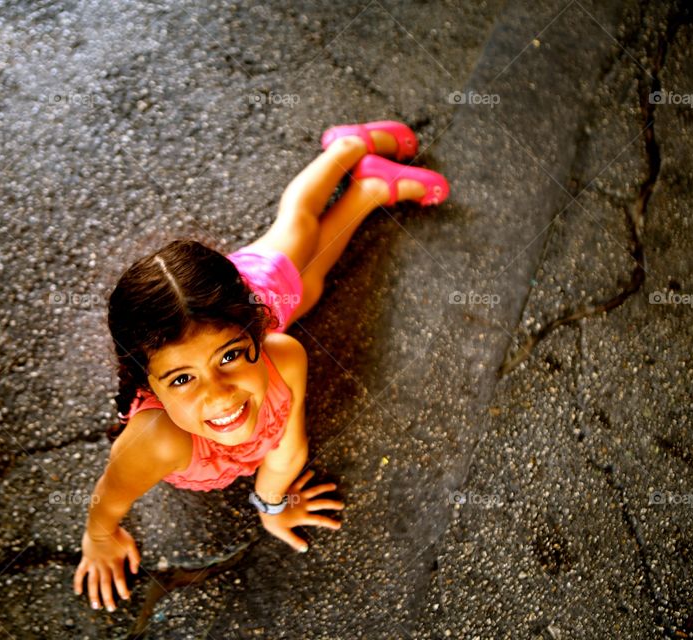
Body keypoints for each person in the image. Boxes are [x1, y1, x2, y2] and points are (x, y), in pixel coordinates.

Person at [73, 120, 450, 612]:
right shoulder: (156, 440)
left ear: (256, 333)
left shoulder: (281, 352)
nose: (221, 394)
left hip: (259, 285)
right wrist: (98, 538)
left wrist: (272, 504)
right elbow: (110, 495)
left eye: (229, 358)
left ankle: (348, 148)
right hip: (226, 312)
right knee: (311, 284)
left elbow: (287, 446)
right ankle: (368, 189)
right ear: (149, 385)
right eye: (183, 379)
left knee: (298, 227)